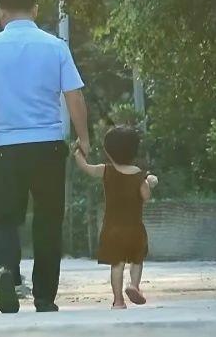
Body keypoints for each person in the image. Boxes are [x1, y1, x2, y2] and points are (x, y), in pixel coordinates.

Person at [0, 0, 91, 314]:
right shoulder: (55, 46)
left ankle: (6, 270)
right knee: (48, 219)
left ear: (0, 12)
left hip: (5, 148)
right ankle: (44, 296)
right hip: (48, 147)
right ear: (35, 10)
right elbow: (74, 96)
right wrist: (84, 138)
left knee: (4, 217)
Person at [73, 126, 158, 309]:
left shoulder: (105, 170)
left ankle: (118, 300)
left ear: (108, 151)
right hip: (135, 229)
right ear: (134, 150)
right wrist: (147, 184)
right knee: (137, 260)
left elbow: (86, 168)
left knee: (117, 265)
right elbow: (145, 196)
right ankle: (134, 285)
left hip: (112, 230)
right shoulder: (138, 174)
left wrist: (78, 153)